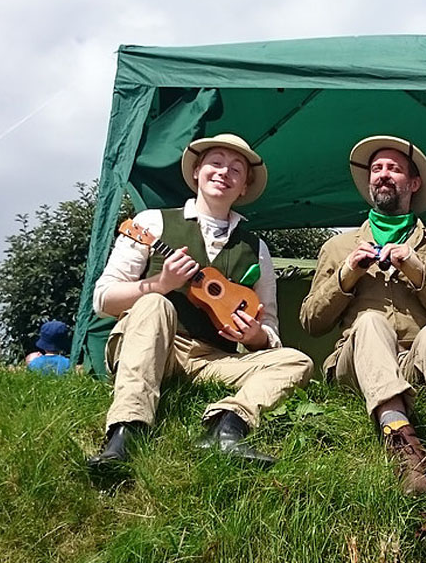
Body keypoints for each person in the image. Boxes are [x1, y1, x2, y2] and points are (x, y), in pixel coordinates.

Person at [87, 133, 313, 471]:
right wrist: (160, 284)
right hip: (149, 345)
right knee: (155, 304)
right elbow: (103, 299)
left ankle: (227, 427)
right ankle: (126, 432)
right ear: (197, 172)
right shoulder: (151, 222)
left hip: (210, 359)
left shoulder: (257, 249)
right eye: (216, 163)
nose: (224, 172)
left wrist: (254, 336)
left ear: (244, 187)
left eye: (236, 169)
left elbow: (271, 329)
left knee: (296, 361)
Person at [300, 136, 426, 505]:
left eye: (394, 169)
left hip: (419, 365)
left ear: (413, 184)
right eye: (377, 169)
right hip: (359, 365)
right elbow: (310, 322)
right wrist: (346, 276)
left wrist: (420, 273)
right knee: (368, 322)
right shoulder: (338, 248)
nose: (383, 175)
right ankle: (402, 444)